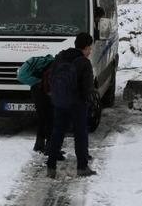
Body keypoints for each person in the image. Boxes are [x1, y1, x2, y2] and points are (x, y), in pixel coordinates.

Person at [45, 32, 97, 178]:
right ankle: (82, 167)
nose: (90, 51)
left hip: (60, 101)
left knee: (57, 133)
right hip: (77, 103)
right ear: (85, 47)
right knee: (80, 134)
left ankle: (51, 166)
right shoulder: (84, 62)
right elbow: (87, 87)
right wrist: (88, 101)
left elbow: (51, 77)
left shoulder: (60, 57)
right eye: (89, 48)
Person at [16, 54, 60, 157]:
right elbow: (21, 76)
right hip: (42, 90)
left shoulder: (41, 62)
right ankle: (50, 148)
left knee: (43, 118)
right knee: (49, 118)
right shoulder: (54, 65)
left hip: (37, 90)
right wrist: (39, 81)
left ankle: (39, 145)